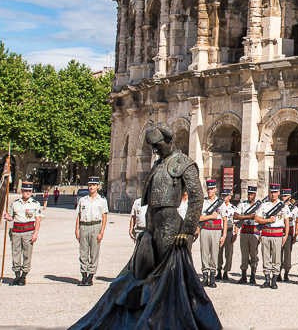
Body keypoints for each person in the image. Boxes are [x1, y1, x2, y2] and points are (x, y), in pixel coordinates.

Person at [71, 122, 217, 330]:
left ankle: (170, 320)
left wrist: (187, 230)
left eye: (157, 145)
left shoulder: (184, 163)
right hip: (151, 227)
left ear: (168, 140)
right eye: (152, 146)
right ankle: (143, 317)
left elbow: (196, 197)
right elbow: (149, 202)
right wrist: (146, 230)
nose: (155, 150)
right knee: (139, 274)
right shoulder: (157, 166)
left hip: (170, 226)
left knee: (172, 278)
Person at [3, 181, 42, 286]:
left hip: (28, 231)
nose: (28, 193)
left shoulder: (35, 204)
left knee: (27, 254)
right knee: (15, 253)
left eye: (29, 191)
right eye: (26, 191)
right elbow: (12, 217)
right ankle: (17, 275)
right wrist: (7, 217)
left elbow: (38, 219)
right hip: (16, 231)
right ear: (22, 191)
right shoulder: (15, 203)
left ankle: (23, 276)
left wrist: (36, 233)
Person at [75, 177, 109, 287]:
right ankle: (84, 275)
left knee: (94, 252)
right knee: (83, 252)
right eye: (90, 185)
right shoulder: (82, 200)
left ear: (98, 186)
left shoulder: (102, 200)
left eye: (94, 185)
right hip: (84, 226)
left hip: (95, 226)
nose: (91, 187)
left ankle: (90, 276)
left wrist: (102, 232)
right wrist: (77, 230)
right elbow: (79, 216)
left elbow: (104, 217)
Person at [256, 183, 289, 289]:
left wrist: (286, 235)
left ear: (279, 193)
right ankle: (267, 279)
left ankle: (274, 280)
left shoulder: (283, 205)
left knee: (276, 258)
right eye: (271, 192)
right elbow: (257, 219)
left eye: (275, 192)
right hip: (266, 233)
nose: (273, 194)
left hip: (278, 233)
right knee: (266, 257)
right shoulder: (264, 205)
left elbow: (287, 221)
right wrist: (268, 220)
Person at [196, 180, 226, 288]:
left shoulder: (220, 202)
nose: (209, 191)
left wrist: (224, 235)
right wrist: (210, 217)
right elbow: (198, 217)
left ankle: (212, 277)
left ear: (215, 190)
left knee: (214, 253)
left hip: (216, 230)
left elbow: (225, 219)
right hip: (205, 229)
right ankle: (205, 276)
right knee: (204, 253)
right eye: (208, 189)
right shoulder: (203, 202)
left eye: (211, 189)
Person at [233, 185, 261, 285]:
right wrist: (248, 216)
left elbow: (260, 219)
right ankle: (243, 275)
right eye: (249, 194)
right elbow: (235, 216)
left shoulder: (259, 206)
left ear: (255, 195)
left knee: (254, 254)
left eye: (251, 194)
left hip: (254, 231)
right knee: (244, 254)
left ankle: (253, 276)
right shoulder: (242, 204)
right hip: (244, 231)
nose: (249, 196)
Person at [216, 189, 236, 281]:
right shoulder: (218, 206)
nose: (224, 197)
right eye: (223, 195)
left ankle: (226, 271)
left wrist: (235, 234)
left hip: (229, 231)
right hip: (219, 230)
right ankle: (218, 270)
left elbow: (236, 222)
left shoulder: (233, 208)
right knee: (218, 252)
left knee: (229, 253)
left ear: (230, 197)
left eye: (226, 196)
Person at [278, 188, 296, 282]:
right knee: (278, 253)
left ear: (289, 197)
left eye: (285, 196)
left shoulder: (294, 208)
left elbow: (296, 221)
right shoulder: (279, 206)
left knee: (287, 253)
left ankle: (286, 273)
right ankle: (278, 272)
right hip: (280, 231)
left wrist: (296, 235)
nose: (283, 198)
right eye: (282, 196)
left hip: (289, 233)